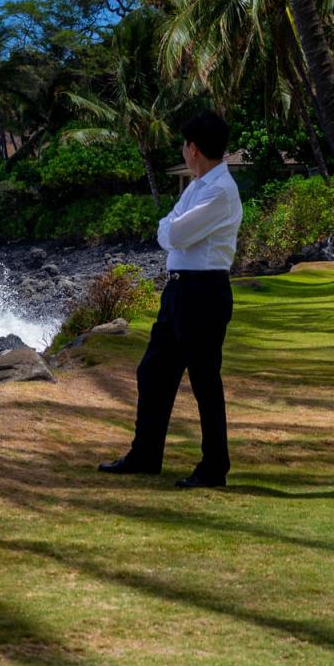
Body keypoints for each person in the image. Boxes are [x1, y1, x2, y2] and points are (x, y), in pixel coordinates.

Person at [99, 110, 242, 488]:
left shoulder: (218, 191)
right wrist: (171, 229)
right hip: (179, 289)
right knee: (153, 371)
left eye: (184, 144)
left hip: (204, 290)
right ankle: (146, 454)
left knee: (204, 379)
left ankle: (214, 467)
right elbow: (168, 229)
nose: (183, 149)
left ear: (193, 149)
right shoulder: (198, 186)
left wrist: (171, 230)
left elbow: (173, 234)